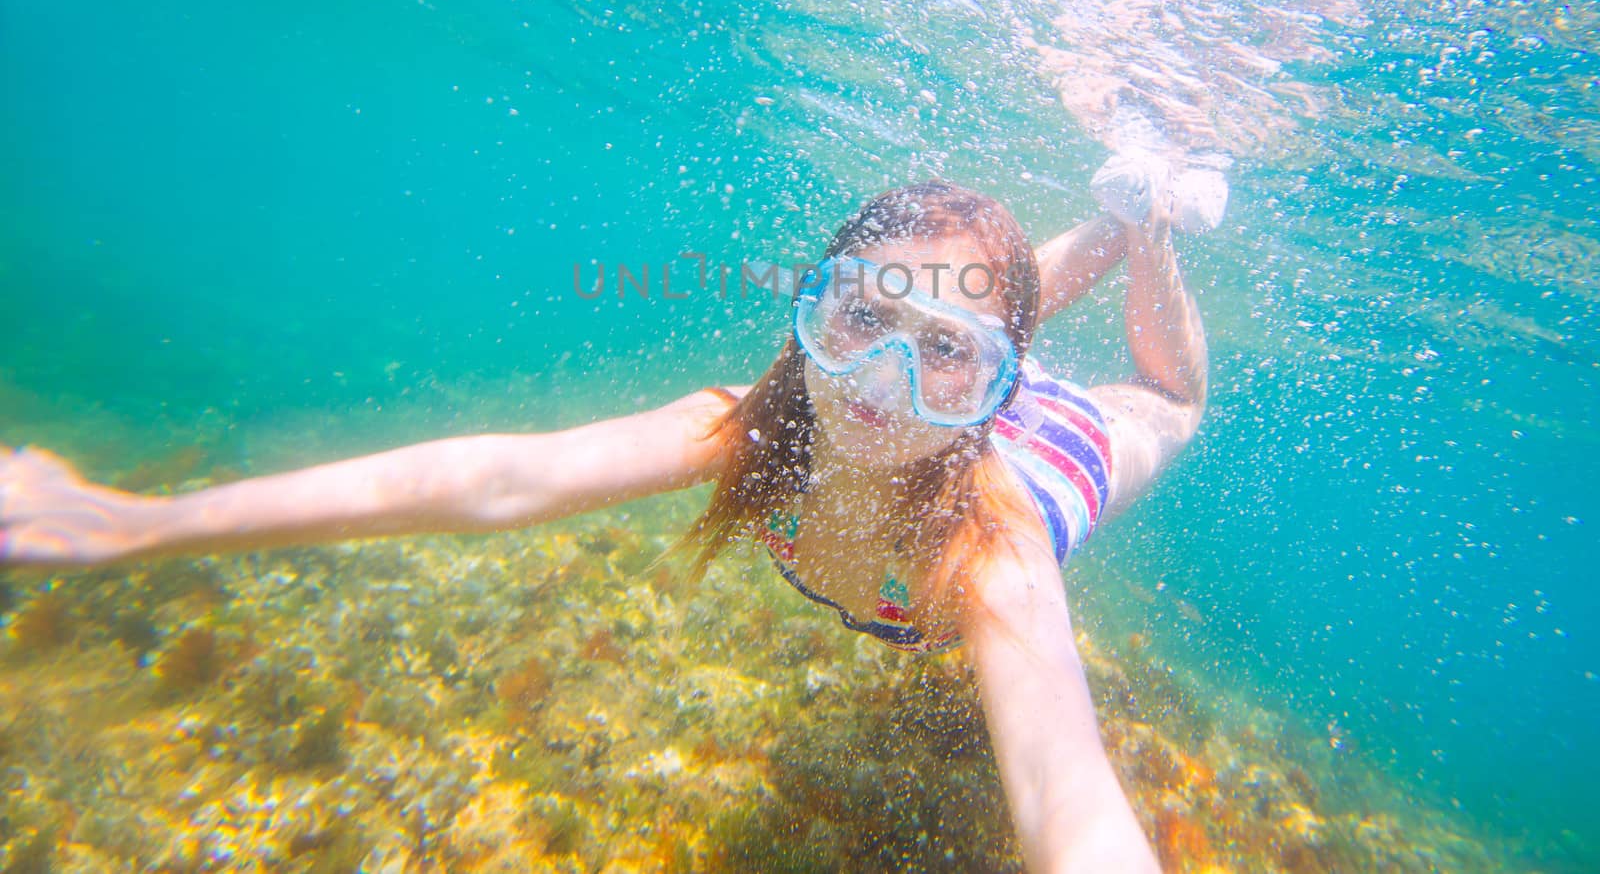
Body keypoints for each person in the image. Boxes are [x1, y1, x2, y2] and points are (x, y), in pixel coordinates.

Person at [0, 156, 1218, 872]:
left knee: (1172, 398)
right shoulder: (759, 427)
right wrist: (129, 521)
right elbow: (498, 476)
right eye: (859, 318)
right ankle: (1108, 214)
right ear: (813, 312)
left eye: (948, 355)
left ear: (997, 381)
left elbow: (1069, 797)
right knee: (940, 313)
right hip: (977, 395)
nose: (873, 390)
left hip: (1047, 457)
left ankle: (1143, 223)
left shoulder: (994, 555)